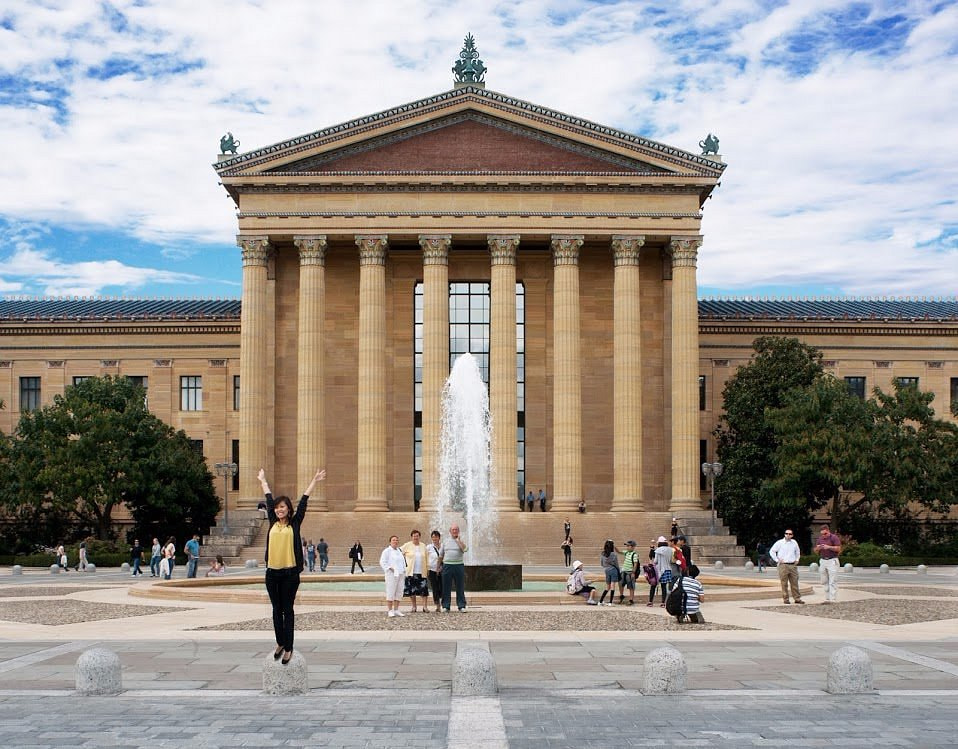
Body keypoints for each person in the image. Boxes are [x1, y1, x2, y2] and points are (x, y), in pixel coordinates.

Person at [259, 466, 325, 665]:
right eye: (277, 507)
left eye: (283, 507)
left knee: (288, 610)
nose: (279, 510)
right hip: (272, 573)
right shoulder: (272, 521)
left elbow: (304, 501)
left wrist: (314, 481)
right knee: (275, 609)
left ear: (288, 509)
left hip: (289, 574)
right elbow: (268, 498)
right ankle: (280, 642)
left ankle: (288, 647)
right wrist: (263, 480)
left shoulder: (294, 524)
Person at [769, 529, 804, 604]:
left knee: (795, 582)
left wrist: (797, 559)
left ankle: (797, 598)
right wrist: (777, 560)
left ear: (792, 535)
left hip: (792, 565)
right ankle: (786, 599)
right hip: (783, 565)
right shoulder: (780, 543)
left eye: (790, 534)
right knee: (784, 583)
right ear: (784, 534)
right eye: (786, 533)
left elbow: (797, 551)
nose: (788, 535)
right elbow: (772, 551)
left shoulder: (794, 542)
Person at [439, 523, 468, 612]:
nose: (454, 531)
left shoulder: (461, 540)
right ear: (450, 531)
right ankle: (446, 606)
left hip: (458, 565)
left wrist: (458, 541)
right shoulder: (445, 541)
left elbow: (464, 549)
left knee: (460, 586)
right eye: (453, 530)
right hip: (447, 565)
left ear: (458, 531)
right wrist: (438, 566)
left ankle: (461, 605)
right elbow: (441, 555)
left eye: (456, 530)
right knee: (446, 586)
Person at [401, 529, 430, 613]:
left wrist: (427, 568)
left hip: (422, 571)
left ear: (419, 537)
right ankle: (414, 606)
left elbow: (427, 558)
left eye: (417, 536)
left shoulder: (423, 546)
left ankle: (425, 607)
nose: (415, 537)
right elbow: (399, 552)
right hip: (411, 571)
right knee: (412, 590)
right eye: (414, 536)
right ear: (411, 537)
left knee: (424, 590)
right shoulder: (407, 545)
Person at [814, 524, 843, 604]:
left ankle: (832, 598)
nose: (824, 536)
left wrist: (829, 547)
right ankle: (827, 598)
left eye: (825, 534)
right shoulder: (820, 539)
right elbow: (815, 550)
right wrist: (818, 548)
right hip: (823, 560)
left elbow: (839, 549)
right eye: (822, 534)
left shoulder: (834, 538)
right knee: (824, 580)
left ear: (828, 531)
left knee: (832, 580)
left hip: (832, 560)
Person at [380, 535, 407, 617]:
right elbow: (382, 562)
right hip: (391, 574)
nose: (395, 541)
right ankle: (390, 610)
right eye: (393, 540)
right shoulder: (387, 551)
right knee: (391, 591)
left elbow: (402, 561)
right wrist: (390, 568)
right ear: (390, 542)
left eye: (396, 540)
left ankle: (396, 609)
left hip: (401, 573)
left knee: (399, 591)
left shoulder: (399, 550)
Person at [649, 536, 673, 606]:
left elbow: (655, 561)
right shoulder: (670, 550)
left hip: (659, 570)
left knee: (653, 586)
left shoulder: (658, 550)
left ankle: (650, 601)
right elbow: (671, 560)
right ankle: (663, 602)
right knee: (664, 587)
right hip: (667, 569)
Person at [599, 539, 621, 605]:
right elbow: (617, 564)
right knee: (613, 586)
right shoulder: (613, 554)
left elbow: (602, 564)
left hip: (606, 570)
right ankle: (610, 602)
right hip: (613, 570)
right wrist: (618, 571)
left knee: (607, 587)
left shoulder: (603, 554)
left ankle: (600, 601)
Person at [427, 530, 443, 613]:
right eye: (433, 537)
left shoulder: (443, 546)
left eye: (436, 537)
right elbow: (425, 558)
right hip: (432, 569)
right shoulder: (429, 547)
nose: (434, 538)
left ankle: (443, 602)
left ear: (439, 537)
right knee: (435, 587)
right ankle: (437, 605)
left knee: (442, 586)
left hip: (442, 569)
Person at [620, 539, 639, 605]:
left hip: (630, 572)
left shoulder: (634, 554)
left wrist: (633, 573)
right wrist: (614, 547)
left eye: (628, 546)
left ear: (633, 547)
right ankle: (621, 596)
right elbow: (619, 552)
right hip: (624, 571)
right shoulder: (626, 552)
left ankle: (631, 600)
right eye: (627, 546)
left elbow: (635, 564)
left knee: (631, 586)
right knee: (621, 584)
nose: (627, 547)